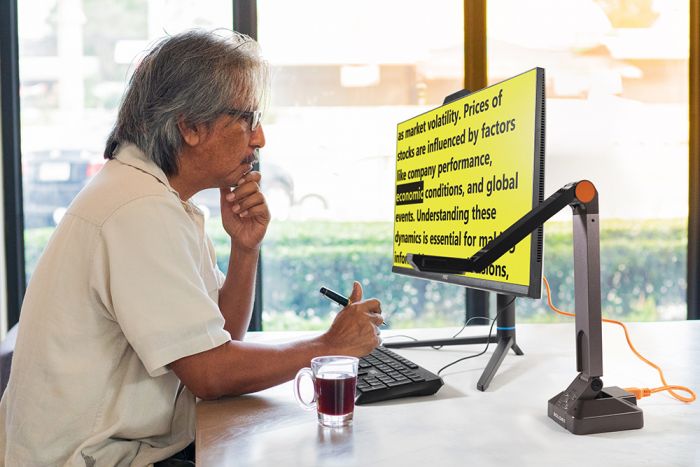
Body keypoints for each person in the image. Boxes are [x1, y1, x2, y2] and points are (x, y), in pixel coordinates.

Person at [0, 29, 382, 466]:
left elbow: (220, 339)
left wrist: (245, 248)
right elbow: (210, 374)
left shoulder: (159, 199)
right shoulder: (138, 209)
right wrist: (328, 346)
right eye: (248, 118)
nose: (259, 140)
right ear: (191, 126)